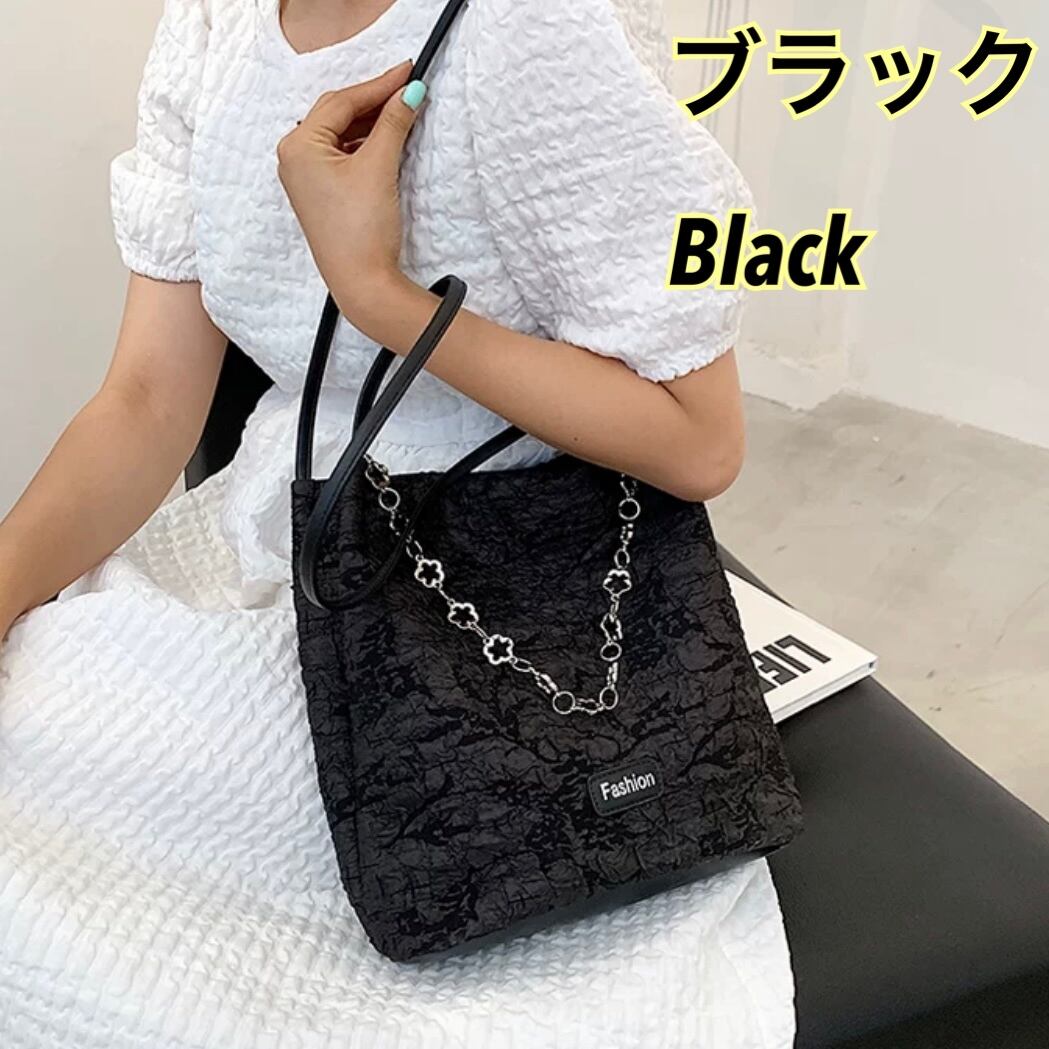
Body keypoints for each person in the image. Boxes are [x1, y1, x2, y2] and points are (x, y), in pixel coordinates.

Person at [0, 1, 796, 1045]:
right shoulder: (212, 20)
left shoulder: (530, 27)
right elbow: (147, 399)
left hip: (512, 570)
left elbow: (700, 439)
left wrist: (378, 293)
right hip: (285, 533)